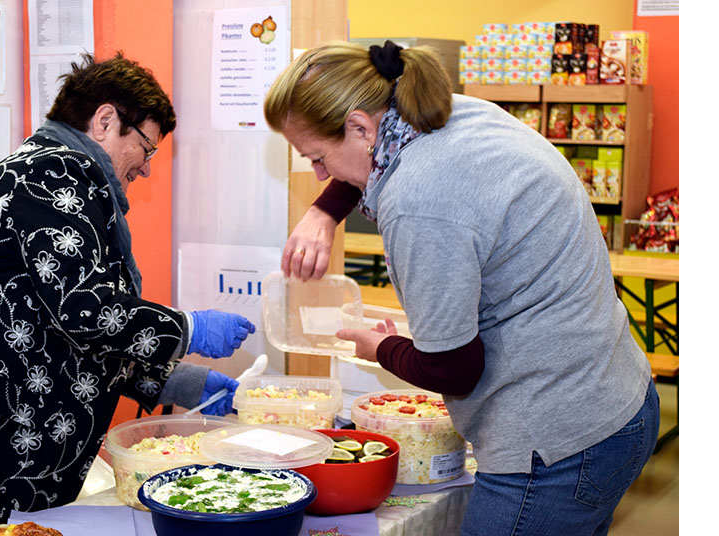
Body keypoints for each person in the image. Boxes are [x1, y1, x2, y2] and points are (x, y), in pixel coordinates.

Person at [264, 40, 659, 535]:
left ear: (361, 126)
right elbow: (368, 159)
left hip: (554, 443)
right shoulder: (441, 113)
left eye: (317, 158)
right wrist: (325, 210)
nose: (321, 175)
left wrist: (381, 347)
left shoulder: (418, 199)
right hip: (616, 400)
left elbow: (455, 368)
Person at [0, 52, 255, 535]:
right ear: (105, 121)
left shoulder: (46, 176)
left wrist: (176, 383)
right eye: (146, 148)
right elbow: (85, 309)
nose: (145, 168)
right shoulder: (53, 174)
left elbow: (65, 335)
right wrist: (190, 328)